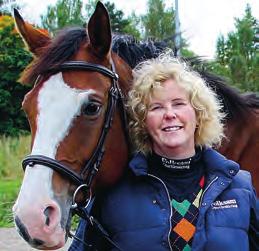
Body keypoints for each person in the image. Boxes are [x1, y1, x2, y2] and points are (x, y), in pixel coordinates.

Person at [69, 53, 259, 251]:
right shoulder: (113, 193)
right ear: (143, 122)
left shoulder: (239, 187)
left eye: (179, 103)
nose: (169, 114)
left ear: (198, 113)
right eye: (156, 107)